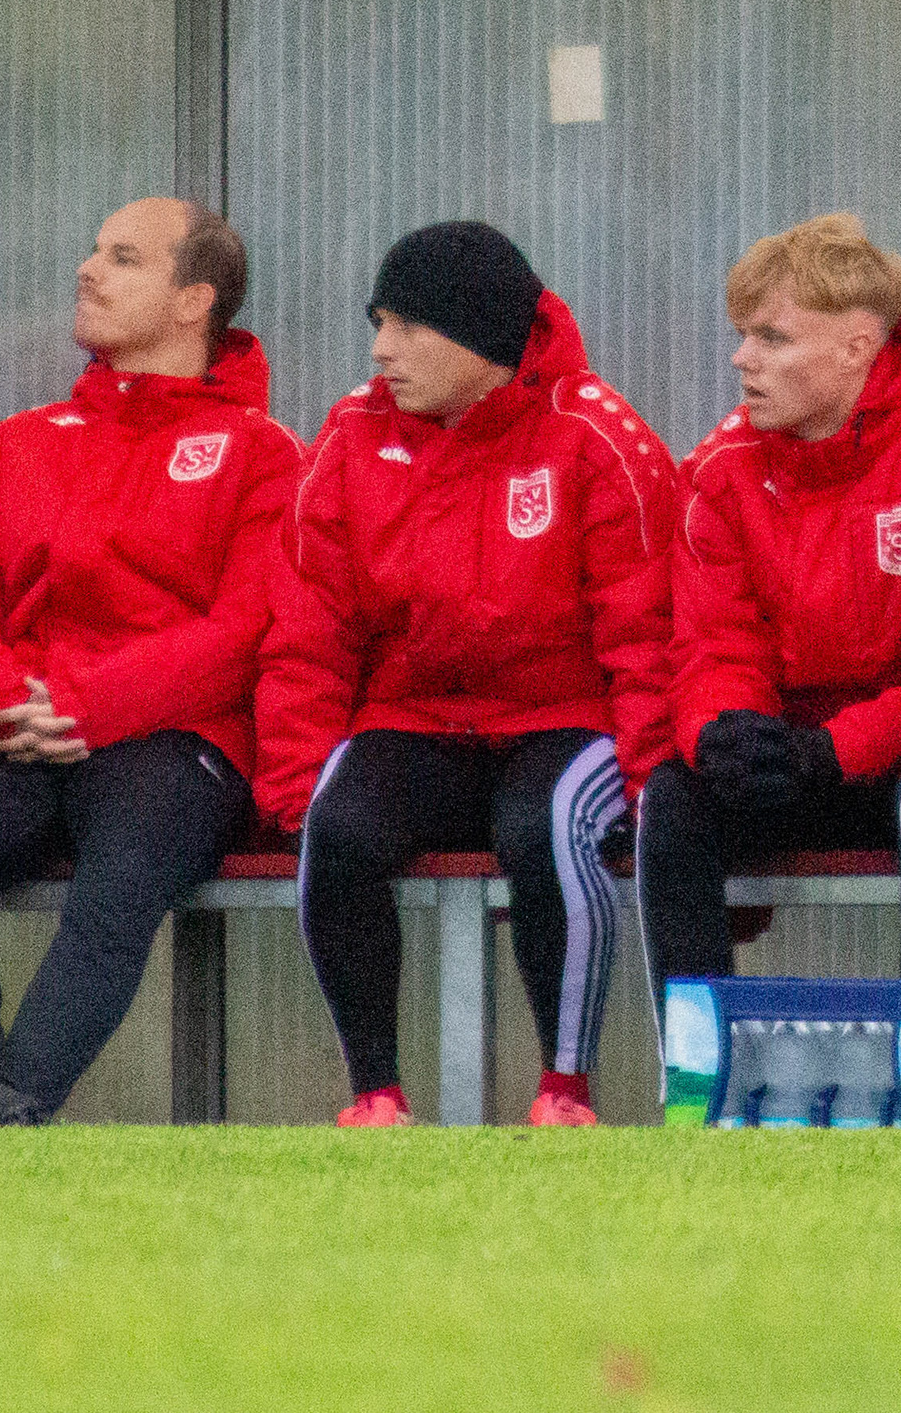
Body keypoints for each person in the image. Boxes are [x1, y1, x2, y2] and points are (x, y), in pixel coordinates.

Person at [0, 199, 295, 1125]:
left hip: (170, 738)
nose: (88, 269)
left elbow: (244, 629)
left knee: (121, 882)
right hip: (12, 723)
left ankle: (15, 1097)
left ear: (195, 300)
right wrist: (4, 698)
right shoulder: (25, 439)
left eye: (122, 257)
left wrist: (77, 703)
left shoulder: (262, 453)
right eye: (92, 250)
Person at [262, 221, 678, 1127]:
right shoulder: (350, 435)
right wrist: (299, 789)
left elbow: (645, 640)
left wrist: (652, 796)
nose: (381, 350)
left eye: (408, 326)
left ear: (484, 339)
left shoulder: (596, 438)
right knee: (337, 828)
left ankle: (564, 1091)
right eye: (378, 323)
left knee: (547, 827)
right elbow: (309, 632)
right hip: (414, 719)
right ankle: (374, 1097)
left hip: (565, 717)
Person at [640, 213, 901, 989]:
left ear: (856, 346)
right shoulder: (719, 473)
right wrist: (723, 730)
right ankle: (701, 1084)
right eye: (744, 335)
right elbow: (715, 648)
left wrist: (837, 749)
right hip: (786, 757)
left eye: (772, 338)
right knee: (675, 795)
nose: (742, 357)